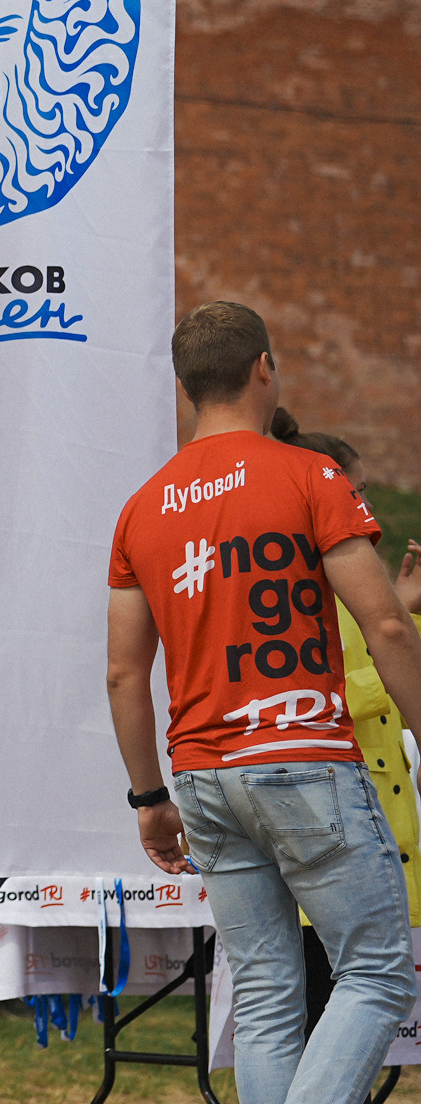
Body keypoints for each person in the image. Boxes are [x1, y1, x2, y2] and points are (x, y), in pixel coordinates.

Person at [106, 302, 421, 1104]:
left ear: (185, 390)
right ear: (264, 369)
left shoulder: (141, 509)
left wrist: (149, 798)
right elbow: (386, 621)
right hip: (303, 755)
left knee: (269, 994)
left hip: (204, 775)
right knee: (378, 975)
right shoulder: (308, 474)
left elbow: (122, 673)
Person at [268, 409, 421, 1038]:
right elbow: (316, 690)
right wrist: (390, 660)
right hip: (328, 830)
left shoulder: (349, 579)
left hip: (374, 827)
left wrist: (403, 611)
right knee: (322, 1013)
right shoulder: (296, 584)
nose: (364, 509)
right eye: (353, 493)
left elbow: (394, 653)